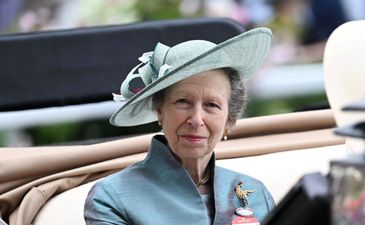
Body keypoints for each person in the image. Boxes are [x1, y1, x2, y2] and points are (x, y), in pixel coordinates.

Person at [84, 28, 275, 225]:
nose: (196, 119)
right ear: (160, 111)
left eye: (212, 105)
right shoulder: (113, 197)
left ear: (229, 120)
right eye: (183, 101)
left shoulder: (256, 194)